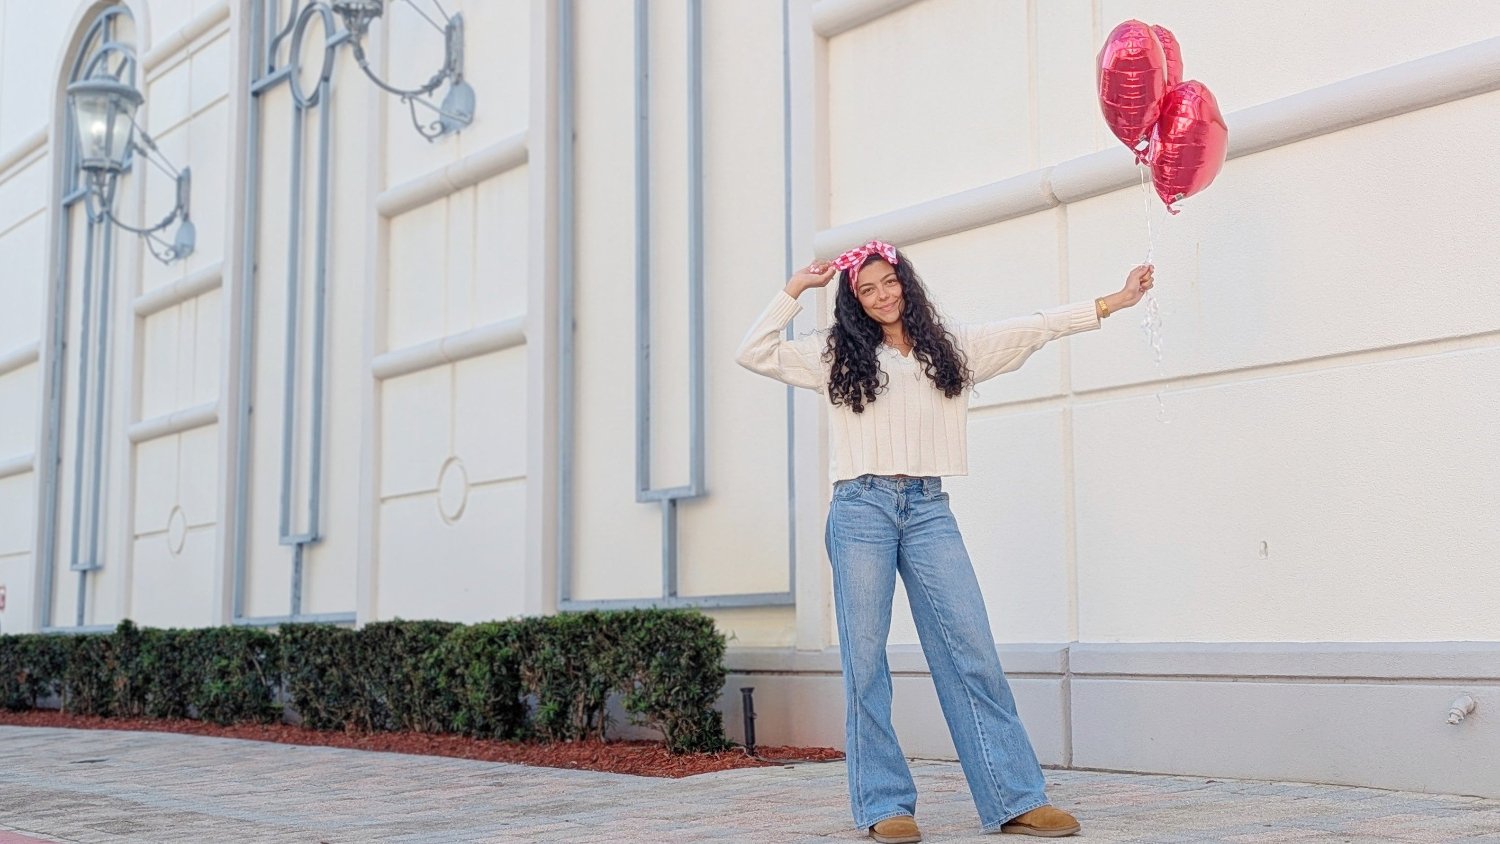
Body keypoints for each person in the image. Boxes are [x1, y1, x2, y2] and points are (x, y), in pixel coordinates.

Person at [735, 240, 1153, 841]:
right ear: (854, 301)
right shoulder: (835, 356)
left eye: (888, 283)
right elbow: (753, 351)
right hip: (860, 509)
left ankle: (1014, 797)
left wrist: (1115, 300)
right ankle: (884, 804)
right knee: (866, 661)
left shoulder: (948, 349)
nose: (881, 297)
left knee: (972, 651)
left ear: (905, 281)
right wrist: (796, 288)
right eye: (867, 290)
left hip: (929, 508)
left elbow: (1035, 328)